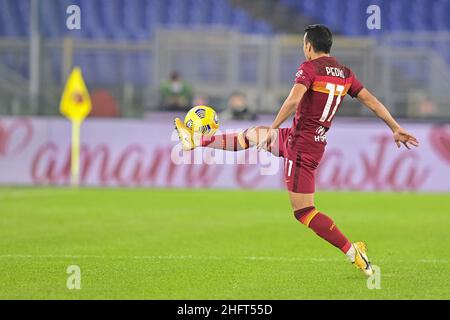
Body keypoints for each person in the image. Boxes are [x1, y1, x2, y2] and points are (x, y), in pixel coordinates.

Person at [174, 25, 419, 276]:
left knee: (304, 211)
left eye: (304, 43)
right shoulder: (345, 74)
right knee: (250, 135)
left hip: (301, 146)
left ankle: (353, 252)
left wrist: (274, 126)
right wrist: (395, 128)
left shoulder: (309, 68)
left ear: (309, 46)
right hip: (303, 139)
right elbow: (373, 102)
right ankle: (196, 141)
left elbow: (293, 100)